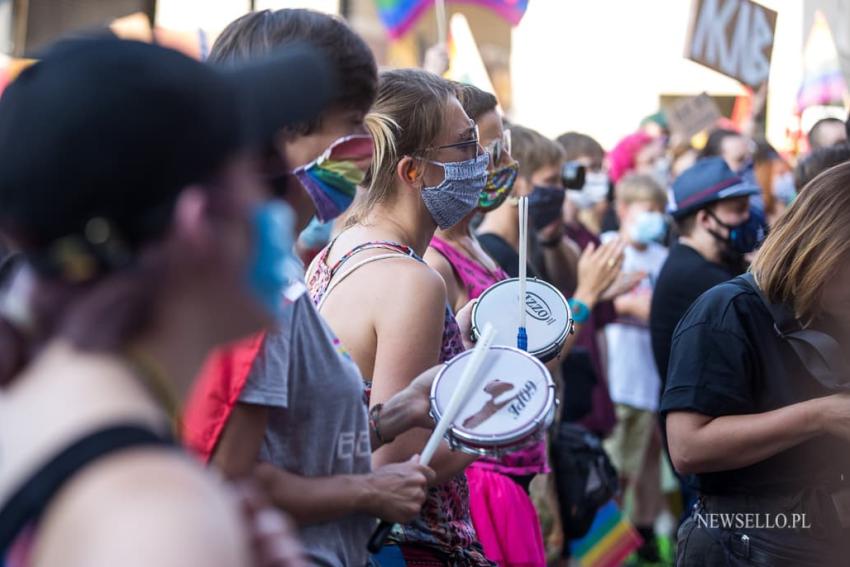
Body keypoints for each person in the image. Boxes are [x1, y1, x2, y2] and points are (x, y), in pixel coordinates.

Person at [0, 37, 330, 567]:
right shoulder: (155, 513)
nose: (283, 201)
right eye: (256, 173)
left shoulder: (32, 392)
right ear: (200, 225)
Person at [180, 11, 437, 567]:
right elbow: (230, 476)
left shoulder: (276, 263)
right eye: (350, 122)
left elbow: (294, 444)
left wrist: (398, 413)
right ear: (284, 129)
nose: (364, 150)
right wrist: (370, 492)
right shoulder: (252, 278)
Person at [306, 68, 491, 565]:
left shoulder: (343, 245)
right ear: (413, 171)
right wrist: (498, 414)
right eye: (467, 145)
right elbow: (396, 462)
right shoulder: (411, 280)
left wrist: (464, 344)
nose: (481, 162)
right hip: (408, 548)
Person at [663, 161, 850, 566]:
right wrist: (819, 416)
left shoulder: (831, 314)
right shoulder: (728, 310)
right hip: (747, 541)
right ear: (827, 252)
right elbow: (687, 446)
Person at [600, 174, 669, 562]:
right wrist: (626, 305)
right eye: (647, 210)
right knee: (615, 471)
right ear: (623, 209)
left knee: (643, 469)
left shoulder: (661, 258)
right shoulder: (608, 249)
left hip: (648, 380)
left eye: (660, 211)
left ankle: (641, 542)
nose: (655, 218)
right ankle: (605, 548)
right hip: (617, 379)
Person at [649, 157, 760, 390]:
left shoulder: (715, 261)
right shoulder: (693, 275)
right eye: (738, 210)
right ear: (705, 219)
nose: (747, 218)